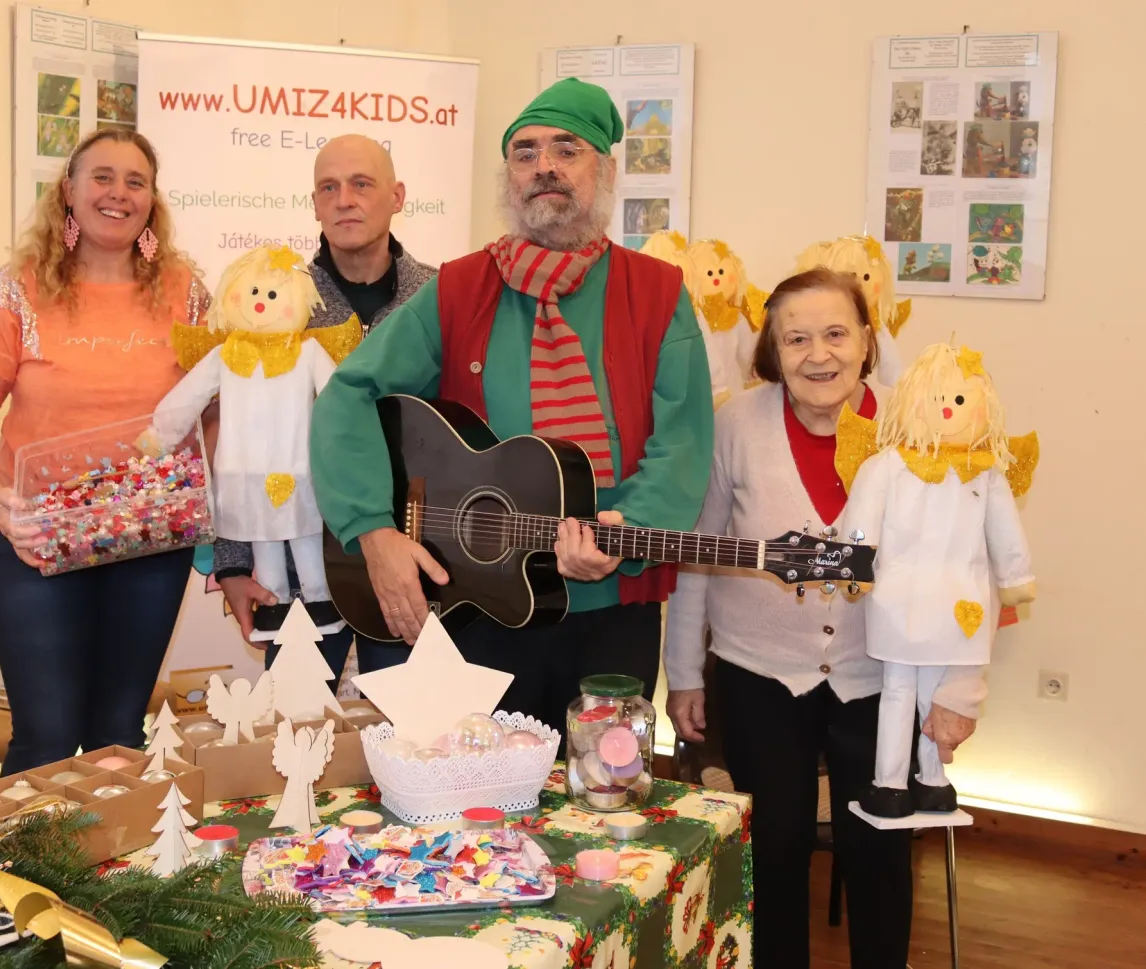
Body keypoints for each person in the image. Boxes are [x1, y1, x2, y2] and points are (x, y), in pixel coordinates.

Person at [308, 78, 714, 734]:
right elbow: (348, 395)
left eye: (565, 149)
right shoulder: (460, 286)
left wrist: (623, 530)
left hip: (614, 610)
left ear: (606, 169)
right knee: (485, 807)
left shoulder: (659, 292)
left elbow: (685, 444)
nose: (543, 167)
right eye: (524, 153)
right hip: (481, 607)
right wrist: (372, 532)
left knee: (603, 801)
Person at [662, 268, 986, 969]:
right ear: (772, 351)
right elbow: (695, 557)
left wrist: (958, 690)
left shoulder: (921, 423)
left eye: (837, 333)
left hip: (883, 679)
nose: (819, 355)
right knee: (773, 853)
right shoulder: (733, 424)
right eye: (797, 338)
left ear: (867, 340)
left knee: (878, 852)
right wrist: (684, 673)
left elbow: (968, 568)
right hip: (757, 674)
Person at [0, 128, 207, 774]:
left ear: (152, 200)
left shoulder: (185, 292)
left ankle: (115, 873)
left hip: (150, 539)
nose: (118, 193)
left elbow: (214, 409)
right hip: (34, 538)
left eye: (135, 181)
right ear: (69, 189)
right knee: (46, 736)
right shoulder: (17, 290)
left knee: (119, 734)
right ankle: (25, 876)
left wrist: (213, 501)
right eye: (102, 176)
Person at [212, 135, 435, 682]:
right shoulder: (273, 302)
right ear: (314, 203)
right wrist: (234, 564)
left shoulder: (436, 296)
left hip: (411, 553)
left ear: (397, 195)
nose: (344, 200)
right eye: (329, 187)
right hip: (295, 561)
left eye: (362, 184)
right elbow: (241, 434)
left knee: (405, 730)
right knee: (294, 737)